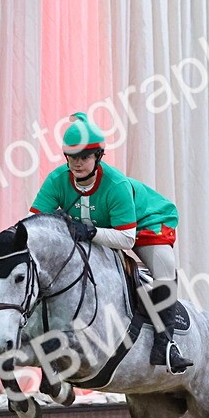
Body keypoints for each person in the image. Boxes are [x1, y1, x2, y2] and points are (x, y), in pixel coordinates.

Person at [29, 112, 192, 374]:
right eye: (72, 157)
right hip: (99, 225)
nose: (77, 163)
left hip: (144, 223)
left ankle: (166, 343)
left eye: (84, 157)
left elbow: (126, 238)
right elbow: (36, 224)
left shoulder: (115, 184)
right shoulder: (57, 180)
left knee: (165, 267)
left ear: (98, 157)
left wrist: (91, 232)